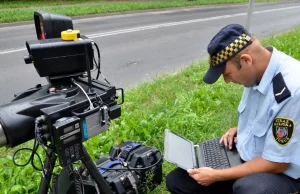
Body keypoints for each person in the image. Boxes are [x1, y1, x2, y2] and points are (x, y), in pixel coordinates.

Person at [166, 23, 300, 194]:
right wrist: (241, 130)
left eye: (227, 74)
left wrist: (218, 175)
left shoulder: (291, 89)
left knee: (248, 189)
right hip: (247, 158)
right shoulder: (256, 71)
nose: (228, 81)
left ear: (246, 61)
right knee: (177, 181)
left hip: (283, 172)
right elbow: (267, 118)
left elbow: (278, 162)